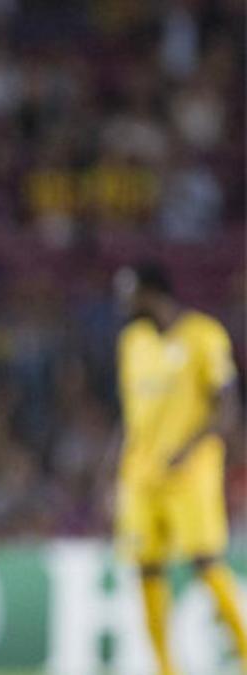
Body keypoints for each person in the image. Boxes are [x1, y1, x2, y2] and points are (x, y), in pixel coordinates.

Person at [114, 262, 247, 675]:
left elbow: (227, 406)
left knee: (206, 562)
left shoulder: (203, 335)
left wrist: (186, 450)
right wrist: (112, 470)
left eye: (130, 292)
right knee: (146, 568)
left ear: (151, 293)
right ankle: (165, 669)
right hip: (140, 473)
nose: (123, 301)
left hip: (192, 472)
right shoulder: (132, 342)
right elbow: (132, 415)